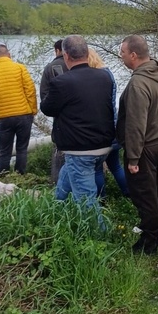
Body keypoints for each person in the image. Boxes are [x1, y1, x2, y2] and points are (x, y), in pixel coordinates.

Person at [40, 35, 115, 214]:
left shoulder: (62, 82)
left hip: (80, 150)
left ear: (65, 55)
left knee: (87, 202)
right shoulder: (104, 77)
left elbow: (47, 108)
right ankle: (55, 213)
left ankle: (98, 230)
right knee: (65, 179)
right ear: (87, 53)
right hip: (104, 145)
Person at [116, 34, 158, 255]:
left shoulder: (138, 83)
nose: (120, 56)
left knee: (145, 197)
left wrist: (133, 158)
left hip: (145, 148)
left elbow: (135, 124)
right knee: (157, 193)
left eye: (122, 52)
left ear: (133, 55)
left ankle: (148, 243)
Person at [0, 43, 38, 175]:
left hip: (4, 117)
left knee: (5, 151)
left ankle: (3, 177)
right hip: (23, 114)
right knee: (22, 149)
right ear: (9, 55)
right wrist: (33, 109)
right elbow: (30, 90)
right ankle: (20, 176)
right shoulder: (20, 68)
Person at [86, 48, 129, 199]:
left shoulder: (91, 78)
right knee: (116, 166)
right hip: (113, 127)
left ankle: (101, 199)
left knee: (97, 169)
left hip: (99, 131)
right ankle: (129, 194)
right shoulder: (108, 74)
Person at [40, 39, 68, 183]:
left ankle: (57, 185)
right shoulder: (84, 64)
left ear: (57, 50)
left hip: (60, 121)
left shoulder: (50, 68)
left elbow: (44, 97)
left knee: (59, 155)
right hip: (84, 122)